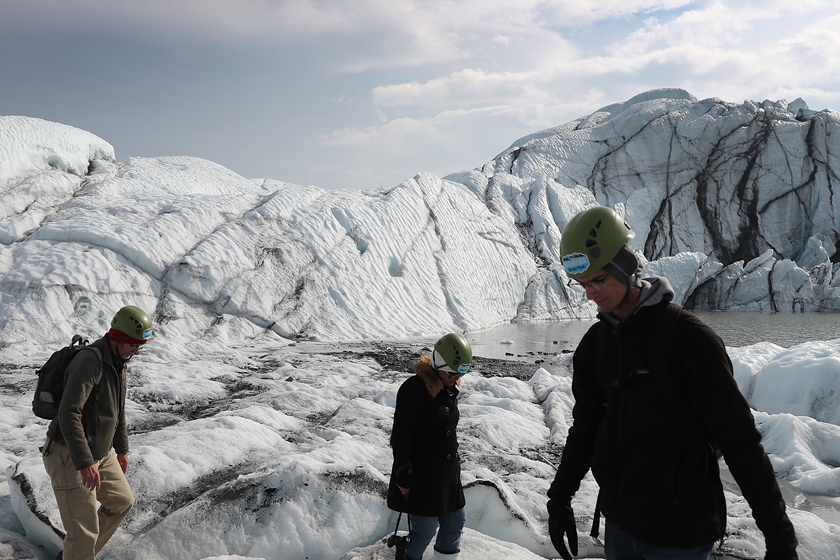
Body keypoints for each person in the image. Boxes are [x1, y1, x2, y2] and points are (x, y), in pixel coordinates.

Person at [547, 206, 799, 560]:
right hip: (620, 527)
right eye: (583, 284)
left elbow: (739, 440)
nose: (590, 294)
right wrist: (559, 498)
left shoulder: (690, 341)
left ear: (624, 266)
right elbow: (587, 425)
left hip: (680, 536)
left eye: (599, 280)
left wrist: (779, 538)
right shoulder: (595, 345)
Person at [41, 305, 153, 560]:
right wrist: (84, 463)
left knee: (121, 502)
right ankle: (79, 552)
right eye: (134, 345)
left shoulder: (118, 360)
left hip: (100, 454)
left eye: (140, 346)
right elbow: (69, 413)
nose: (137, 351)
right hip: (69, 455)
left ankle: (76, 554)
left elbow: (118, 409)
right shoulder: (89, 362)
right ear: (119, 338)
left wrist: (122, 449)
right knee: (83, 533)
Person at [387, 333, 472, 560]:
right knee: (424, 532)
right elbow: (400, 436)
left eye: (462, 373)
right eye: (453, 373)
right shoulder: (414, 389)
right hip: (423, 475)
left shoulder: (446, 387)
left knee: (455, 523)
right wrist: (404, 470)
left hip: (447, 475)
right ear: (439, 365)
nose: (457, 378)